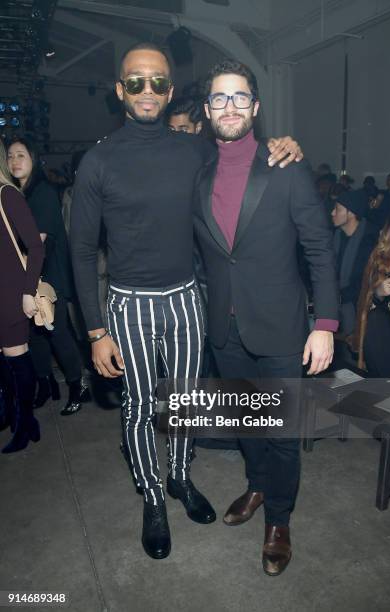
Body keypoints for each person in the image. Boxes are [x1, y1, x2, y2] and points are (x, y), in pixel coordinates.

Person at [70, 42, 304, 561]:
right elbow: (82, 251)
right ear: (120, 91)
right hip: (127, 305)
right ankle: (153, 498)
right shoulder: (98, 161)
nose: (147, 91)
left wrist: (282, 143)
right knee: (137, 407)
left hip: (185, 299)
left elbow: (242, 148)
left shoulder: (195, 149)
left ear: (170, 91)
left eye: (157, 82)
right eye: (136, 82)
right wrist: (94, 330)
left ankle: (178, 478)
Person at [194, 59, 339, 576]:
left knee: (278, 431)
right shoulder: (199, 170)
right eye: (218, 98)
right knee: (245, 423)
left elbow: (320, 250)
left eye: (239, 97)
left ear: (255, 107)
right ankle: (257, 488)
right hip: (224, 329)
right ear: (207, 110)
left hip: (280, 328)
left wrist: (325, 325)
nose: (228, 106)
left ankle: (279, 518)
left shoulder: (287, 167)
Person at [7, 138, 90, 415]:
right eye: (10, 156)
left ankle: (78, 386)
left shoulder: (41, 192)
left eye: (21, 155)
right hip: (28, 276)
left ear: (33, 159)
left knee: (57, 333)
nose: (15, 161)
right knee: (35, 336)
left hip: (48, 275)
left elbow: (37, 243)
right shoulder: (17, 194)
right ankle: (46, 384)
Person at [0, 139, 44, 453]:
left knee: (16, 358)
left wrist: (28, 292)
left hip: (12, 291)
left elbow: (36, 246)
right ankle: (18, 417)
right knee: (6, 362)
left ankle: (26, 422)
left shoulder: (7, 194)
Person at [355, 202, 390, 377]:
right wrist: (378, 293)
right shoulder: (387, 257)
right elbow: (366, 301)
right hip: (389, 331)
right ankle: (386, 387)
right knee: (376, 319)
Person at [331, 189, 378, 337]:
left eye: (337, 209)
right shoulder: (336, 236)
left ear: (351, 213)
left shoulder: (370, 241)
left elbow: (362, 283)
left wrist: (335, 297)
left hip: (358, 307)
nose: (332, 213)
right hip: (335, 301)